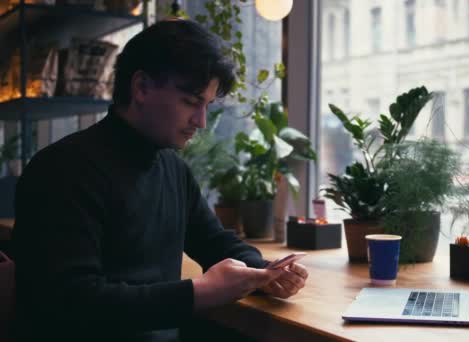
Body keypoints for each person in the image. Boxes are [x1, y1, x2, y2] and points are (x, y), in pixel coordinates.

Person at [12, 19, 308, 341]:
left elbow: (212, 239)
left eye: (207, 105)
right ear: (141, 88)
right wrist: (197, 293)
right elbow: (76, 301)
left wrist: (264, 271)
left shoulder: (172, 167)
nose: (202, 121)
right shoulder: (62, 169)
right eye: (192, 103)